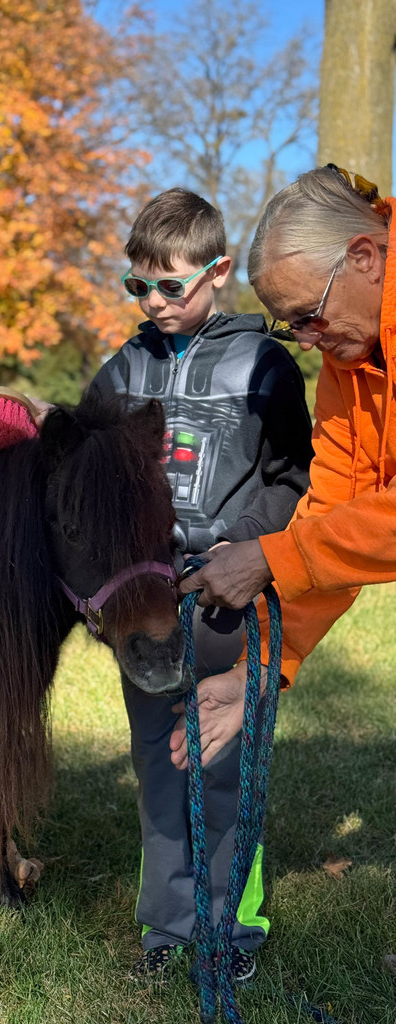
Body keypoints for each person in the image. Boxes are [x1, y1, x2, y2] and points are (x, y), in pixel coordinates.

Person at [85, 188, 313, 983]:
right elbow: (85, 471)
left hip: (233, 599)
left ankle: (231, 930)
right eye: (137, 285)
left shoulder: (266, 365)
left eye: (169, 285)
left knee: (222, 767)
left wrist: (243, 547)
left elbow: (292, 476)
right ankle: (169, 926)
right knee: (159, 765)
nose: (153, 302)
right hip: (150, 606)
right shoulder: (125, 367)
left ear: (217, 273)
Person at [175, 165, 395, 775]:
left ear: (363, 258)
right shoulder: (347, 365)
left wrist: (272, 558)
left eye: (309, 314)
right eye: (289, 323)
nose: (303, 340)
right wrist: (258, 670)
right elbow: (332, 520)